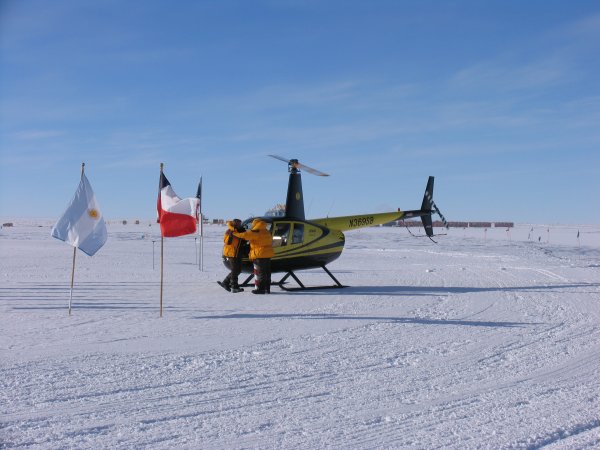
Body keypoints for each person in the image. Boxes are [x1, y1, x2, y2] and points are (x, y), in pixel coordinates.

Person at [233, 218, 274, 294]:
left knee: (261, 272)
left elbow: (245, 235)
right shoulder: (266, 231)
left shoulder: (256, 231)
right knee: (267, 272)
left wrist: (234, 233)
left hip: (259, 254)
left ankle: (261, 289)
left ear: (255, 224)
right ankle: (267, 289)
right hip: (268, 253)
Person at [218, 219, 245, 293]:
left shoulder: (240, 230)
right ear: (234, 224)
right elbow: (227, 241)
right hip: (231, 253)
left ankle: (225, 282)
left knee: (238, 270)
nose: (240, 224)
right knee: (235, 270)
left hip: (237, 253)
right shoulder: (229, 231)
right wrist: (231, 235)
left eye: (240, 223)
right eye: (238, 223)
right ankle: (234, 286)